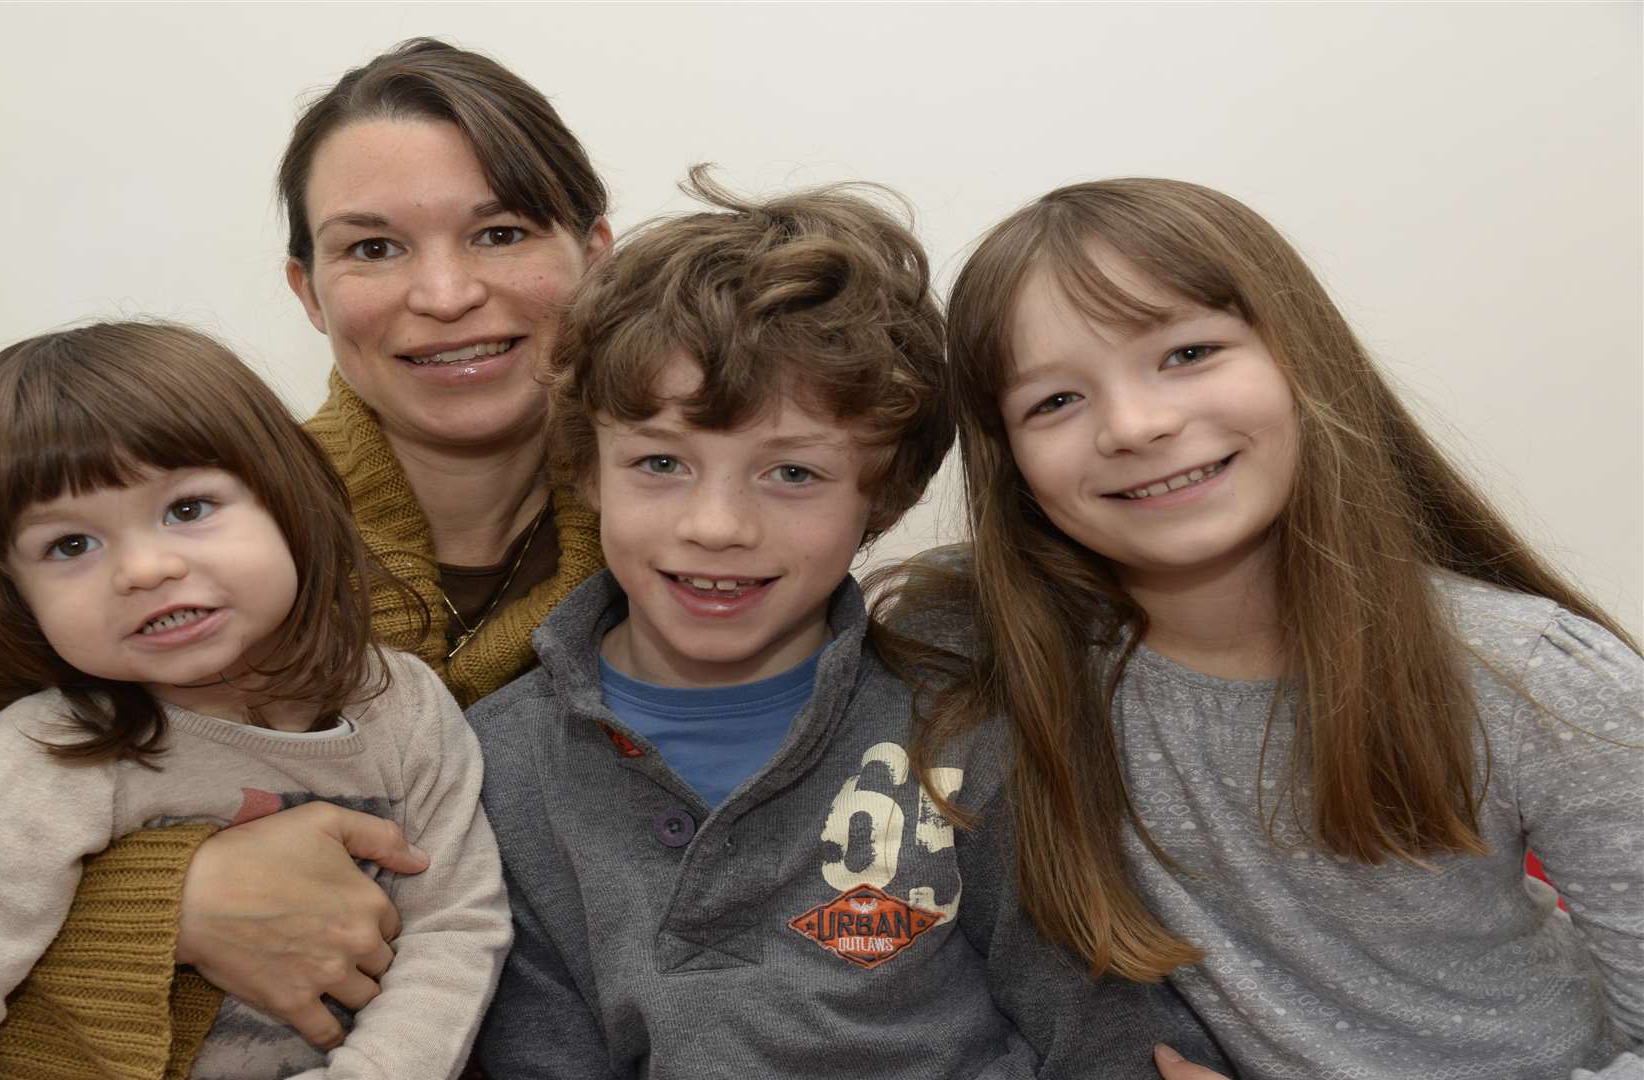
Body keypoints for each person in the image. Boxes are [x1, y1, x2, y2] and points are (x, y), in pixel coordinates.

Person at [0, 39, 610, 1078]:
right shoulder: (179, 537)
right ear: (310, 292)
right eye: (373, 248)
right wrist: (173, 899)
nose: (447, 291)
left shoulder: (690, 543)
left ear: (596, 255)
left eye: (500, 232)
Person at [466, 171, 1231, 1078]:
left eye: (792, 474)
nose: (716, 524)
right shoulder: (494, 767)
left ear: (885, 496)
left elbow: (1097, 1019)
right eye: (661, 462)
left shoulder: (966, 723)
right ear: (586, 467)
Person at [895, 177, 1643, 1077]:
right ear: (1010, 463)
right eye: (1053, 402)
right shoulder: (990, 655)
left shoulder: (1535, 675)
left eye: (1187, 352)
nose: (1136, 424)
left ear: (1303, 360)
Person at [0, 322, 509, 1080]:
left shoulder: (402, 705)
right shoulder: (43, 757)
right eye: (70, 546)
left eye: (188, 509)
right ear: (12, 595)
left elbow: (456, 926)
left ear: (287, 501)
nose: (145, 569)